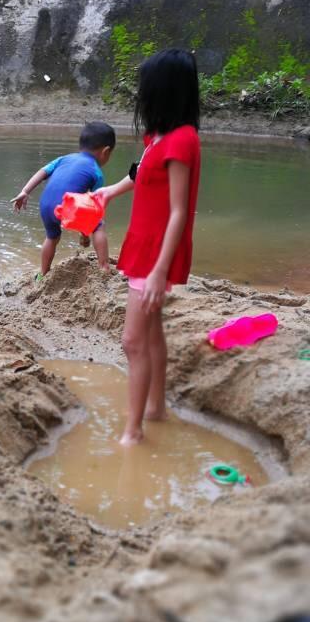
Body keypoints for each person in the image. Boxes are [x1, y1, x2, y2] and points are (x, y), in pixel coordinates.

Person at [92, 49, 202, 446]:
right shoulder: (158, 136)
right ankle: (155, 408)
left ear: (164, 92)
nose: (141, 96)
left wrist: (159, 270)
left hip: (156, 253)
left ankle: (132, 433)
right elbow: (141, 174)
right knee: (151, 333)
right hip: (144, 246)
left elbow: (178, 212)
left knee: (132, 340)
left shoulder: (182, 140)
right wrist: (109, 192)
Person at [11, 121, 116, 277]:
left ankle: (43, 273)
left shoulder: (63, 159)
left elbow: (43, 172)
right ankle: (104, 267)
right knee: (99, 225)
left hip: (45, 204)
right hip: (66, 206)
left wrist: (25, 191)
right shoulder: (96, 171)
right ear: (106, 152)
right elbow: (93, 207)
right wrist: (85, 233)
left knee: (52, 237)